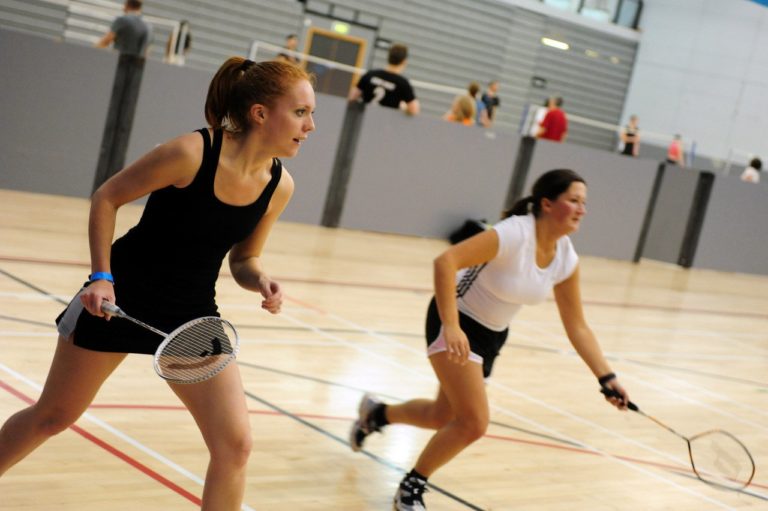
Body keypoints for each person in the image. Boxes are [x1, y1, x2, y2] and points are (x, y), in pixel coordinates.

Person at [0, 57, 315, 510]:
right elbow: (108, 197)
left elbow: (244, 258)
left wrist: (260, 278)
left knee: (235, 446)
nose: (310, 126)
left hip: (191, 315)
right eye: (301, 112)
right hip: (119, 296)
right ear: (260, 113)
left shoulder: (278, 186)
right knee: (52, 417)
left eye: (311, 114)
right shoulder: (191, 153)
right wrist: (101, 277)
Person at [349, 169, 630, 511]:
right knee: (473, 422)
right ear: (547, 203)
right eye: (574, 200)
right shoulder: (514, 234)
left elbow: (578, 326)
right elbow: (446, 261)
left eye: (585, 203)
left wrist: (607, 377)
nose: (582, 209)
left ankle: (376, 415)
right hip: (454, 318)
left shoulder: (566, 258)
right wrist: (451, 325)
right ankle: (410, 487)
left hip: (493, 335)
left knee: (442, 416)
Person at [348, 43, 420, 116]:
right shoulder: (403, 83)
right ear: (404, 61)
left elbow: (352, 97)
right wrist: (403, 107)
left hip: (364, 118)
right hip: (384, 123)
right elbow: (414, 109)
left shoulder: (370, 74)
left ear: (389, 57)